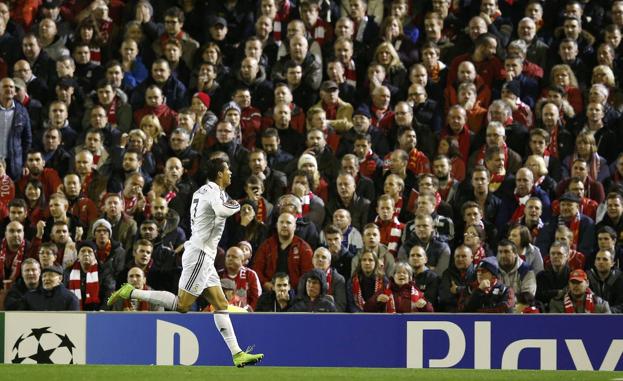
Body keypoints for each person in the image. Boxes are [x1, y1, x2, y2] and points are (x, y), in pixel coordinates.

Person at [107, 158, 263, 367]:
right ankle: (131, 292)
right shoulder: (212, 191)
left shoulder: (203, 192)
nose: (231, 174)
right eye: (228, 170)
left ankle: (237, 354)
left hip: (204, 254)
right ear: (219, 174)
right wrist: (238, 204)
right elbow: (223, 210)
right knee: (182, 305)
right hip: (200, 254)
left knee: (221, 305)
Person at [364, 262, 433, 313]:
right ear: (393, 277)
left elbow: (430, 311)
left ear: (410, 278)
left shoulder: (418, 293)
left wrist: (424, 305)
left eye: (404, 273)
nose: (401, 274)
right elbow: (367, 308)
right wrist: (377, 300)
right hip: (388, 325)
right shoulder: (384, 291)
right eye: (398, 272)